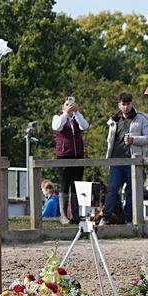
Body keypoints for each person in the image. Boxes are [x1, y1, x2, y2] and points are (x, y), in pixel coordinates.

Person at [103, 92, 148, 225]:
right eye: (123, 104)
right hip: (116, 161)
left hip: (133, 161)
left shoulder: (141, 118)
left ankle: (128, 218)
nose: (126, 107)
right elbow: (110, 141)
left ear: (132, 103)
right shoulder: (114, 120)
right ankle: (106, 217)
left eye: (128, 104)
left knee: (133, 191)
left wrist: (134, 140)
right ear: (119, 105)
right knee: (112, 190)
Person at [51, 95, 88, 224]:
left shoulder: (77, 118)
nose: (70, 106)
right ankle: (63, 215)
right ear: (62, 106)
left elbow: (85, 126)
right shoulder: (58, 117)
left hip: (78, 154)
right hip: (64, 154)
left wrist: (77, 113)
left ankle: (75, 214)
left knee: (76, 185)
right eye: (67, 104)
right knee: (64, 184)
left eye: (71, 104)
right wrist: (65, 114)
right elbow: (57, 127)